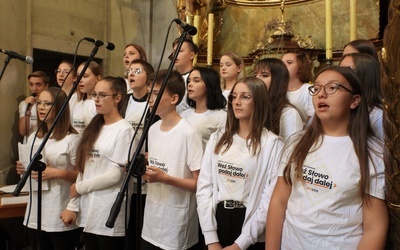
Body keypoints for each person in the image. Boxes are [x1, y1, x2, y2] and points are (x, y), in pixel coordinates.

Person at [265, 66, 387, 249]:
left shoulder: (371, 153)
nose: (321, 94)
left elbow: (374, 228)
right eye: (317, 88)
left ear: (354, 100)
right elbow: (279, 202)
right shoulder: (297, 142)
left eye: (332, 88)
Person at [196, 77, 284, 250]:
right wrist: (211, 238)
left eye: (245, 97)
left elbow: (269, 199)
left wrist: (241, 243)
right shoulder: (218, 138)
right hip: (218, 219)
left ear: (258, 101)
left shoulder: (272, 144)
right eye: (234, 97)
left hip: (250, 225)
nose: (237, 102)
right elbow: (204, 186)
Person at [60, 77, 135, 250]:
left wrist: (80, 188)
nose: (97, 99)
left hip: (108, 208)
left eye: (102, 95)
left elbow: (116, 175)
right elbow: (83, 169)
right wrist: (72, 206)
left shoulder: (124, 130)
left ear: (117, 98)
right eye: (95, 95)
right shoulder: (94, 126)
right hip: (88, 208)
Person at [141, 69, 203, 249]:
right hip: (152, 218)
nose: (149, 99)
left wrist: (165, 178)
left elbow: (199, 183)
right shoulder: (153, 129)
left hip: (176, 221)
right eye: (149, 93)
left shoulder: (189, 133)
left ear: (174, 99)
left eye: (155, 93)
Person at [16, 87, 81, 250]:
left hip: (60, 207)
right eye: (39, 103)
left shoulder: (71, 138)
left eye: (47, 103)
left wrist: (56, 172)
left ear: (60, 107)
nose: (42, 107)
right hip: (36, 210)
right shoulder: (33, 137)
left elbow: (83, 176)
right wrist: (23, 169)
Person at [124, 59, 154, 250]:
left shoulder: (153, 104)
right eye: (130, 71)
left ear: (148, 78)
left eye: (137, 70)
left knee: (141, 219)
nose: (131, 74)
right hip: (125, 171)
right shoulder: (124, 101)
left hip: (145, 170)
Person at [254, 58, 303, 140]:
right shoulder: (254, 108)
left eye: (264, 75)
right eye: (255, 75)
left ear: (278, 81)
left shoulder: (289, 114)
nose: (257, 79)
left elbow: (291, 149)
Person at [339, 53, 384, 141]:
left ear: (366, 75)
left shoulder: (378, 116)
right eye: (339, 69)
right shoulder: (342, 109)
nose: (339, 74)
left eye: (347, 70)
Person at [181, 66, 227, 149]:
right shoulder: (183, 115)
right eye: (189, 81)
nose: (190, 84)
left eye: (196, 81)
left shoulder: (221, 117)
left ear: (210, 84)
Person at [281, 50, 314, 125]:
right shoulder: (277, 90)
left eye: (289, 62)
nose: (283, 66)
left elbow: (312, 118)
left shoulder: (310, 89)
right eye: (282, 63)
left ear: (300, 67)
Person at [18, 71, 50, 143]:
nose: (34, 88)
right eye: (31, 84)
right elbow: (23, 132)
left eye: (38, 84)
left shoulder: (51, 104)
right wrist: (28, 108)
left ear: (46, 85)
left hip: (45, 143)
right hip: (29, 144)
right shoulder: (24, 104)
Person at [72, 61, 103, 133]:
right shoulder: (78, 104)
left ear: (98, 78)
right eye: (78, 76)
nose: (80, 80)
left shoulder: (100, 105)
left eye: (85, 76)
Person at [170, 36, 198, 114]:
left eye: (180, 51)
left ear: (191, 55)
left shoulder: (197, 78)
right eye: (174, 51)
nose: (175, 54)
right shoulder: (171, 77)